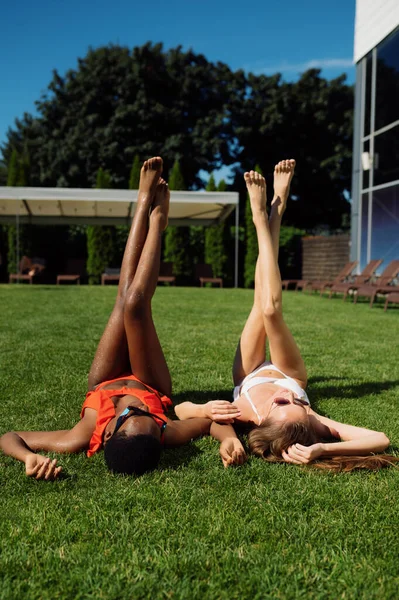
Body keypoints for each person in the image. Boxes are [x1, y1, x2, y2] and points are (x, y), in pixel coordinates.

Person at [176, 160, 397, 472]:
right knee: (271, 310)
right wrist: (321, 447)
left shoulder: (246, 412)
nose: (287, 398)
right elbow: (380, 438)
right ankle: (266, 216)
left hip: (248, 374)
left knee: (260, 302)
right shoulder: (309, 415)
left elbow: (180, 409)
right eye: (297, 404)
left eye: (282, 404)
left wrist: (202, 407)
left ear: (263, 420)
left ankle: (269, 215)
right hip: (289, 372)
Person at [0, 157, 212, 480]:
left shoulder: (80, 436)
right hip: (150, 380)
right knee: (136, 306)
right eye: (152, 420)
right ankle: (157, 220)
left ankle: (143, 203)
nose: (140, 409)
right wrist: (224, 437)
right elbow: (210, 424)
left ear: (109, 433)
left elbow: (9, 437)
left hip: (104, 379)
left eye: (131, 414)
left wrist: (28, 457)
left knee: (124, 298)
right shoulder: (166, 432)